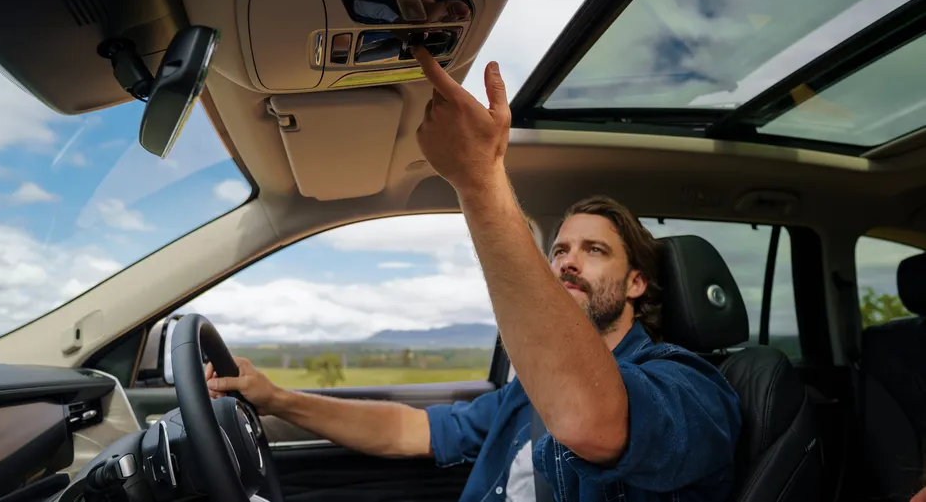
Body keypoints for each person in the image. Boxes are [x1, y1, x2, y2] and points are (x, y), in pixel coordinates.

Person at [206, 49, 742, 501]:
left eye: (594, 250)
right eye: (558, 251)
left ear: (636, 283)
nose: (566, 262)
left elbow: (592, 422)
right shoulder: (525, 393)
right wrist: (277, 399)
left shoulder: (690, 387)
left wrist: (480, 179)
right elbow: (409, 430)